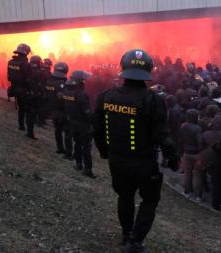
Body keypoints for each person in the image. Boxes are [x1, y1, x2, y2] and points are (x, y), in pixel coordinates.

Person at [93, 49, 178, 253]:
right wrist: (173, 158)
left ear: (123, 68)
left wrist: (105, 152)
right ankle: (135, 242)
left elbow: (97, 129)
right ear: (148, 71)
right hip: (143, 163)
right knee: (149, 200)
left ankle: (126, 234)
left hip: (117, 160)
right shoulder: (153, 100)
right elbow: (162, 135)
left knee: (125, 196)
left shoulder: (106, 97)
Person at [63, 70, 95, 178]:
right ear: (80, 82)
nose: (85, 83)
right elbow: (87, 113)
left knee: (77, 144)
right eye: (83, 81)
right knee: (86, 147)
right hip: (83, 125)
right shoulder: (81, 95)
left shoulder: (67, 92)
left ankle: (78, 164)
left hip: (73, 123)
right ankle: (88, 169)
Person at [7, 43, 38, 139]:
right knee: (29, 111)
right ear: (26, 53)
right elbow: (30, 80)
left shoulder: (10, 62)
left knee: (21, 108)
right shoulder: (26, 65)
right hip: (25, 91)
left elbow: (9, 77)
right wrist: (35, 91)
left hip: (15, 89)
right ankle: (30, 133)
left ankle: (21, 126)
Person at [46, 62, 73, 157]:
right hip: (63, 111)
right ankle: (69, 153)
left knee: (57, 130)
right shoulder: (64, 84)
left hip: (53, 110)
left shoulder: (49, 82)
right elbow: (66, 98)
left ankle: (60, 148)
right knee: (67, 132)